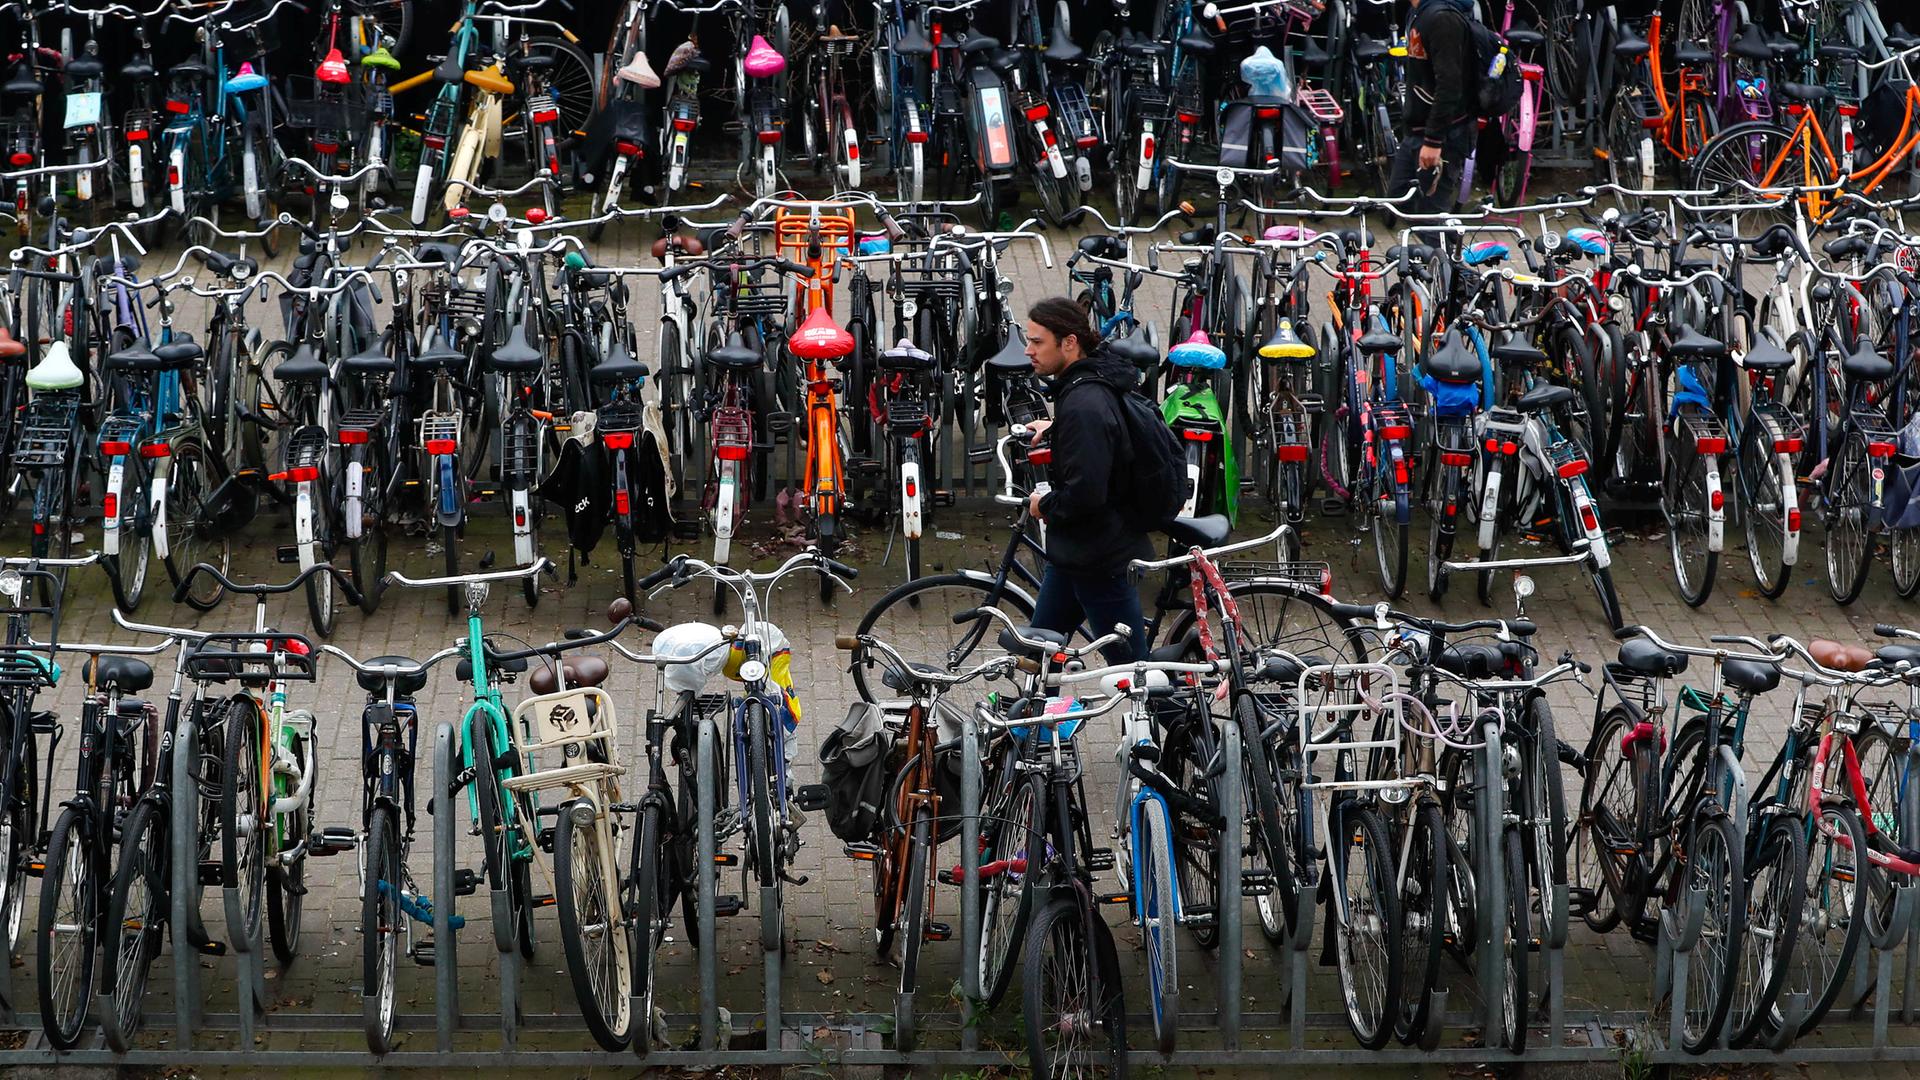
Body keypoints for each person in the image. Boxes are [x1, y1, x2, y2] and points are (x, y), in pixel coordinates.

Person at [1020, 298, 1150, 663]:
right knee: (1039, 659)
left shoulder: (1083, 404)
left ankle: (1185, 722)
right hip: (1075, 553)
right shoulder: (1089, 381)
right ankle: (1033, 719)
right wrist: (1058, 427)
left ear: (1069, 342)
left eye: (1037, 342)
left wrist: (1043, 505)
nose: (1028, 350)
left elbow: (1087, 493)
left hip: (1099, 558)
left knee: (1135, 676)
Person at [1384, 0, 1480, 213]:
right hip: (1417, 130)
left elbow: (1450, 86)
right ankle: (1450, 241)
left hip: (1444, 134)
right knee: (1399, 202)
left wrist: (1433, 141)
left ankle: (1450, 243)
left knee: (1430, 218)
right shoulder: (1418, 12)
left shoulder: (1443, 19)